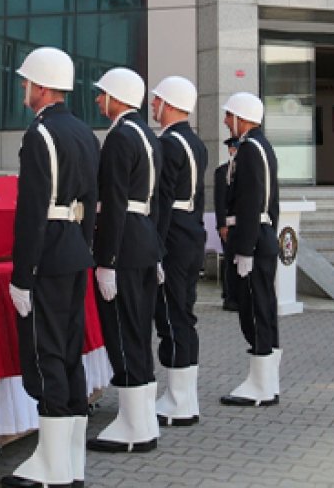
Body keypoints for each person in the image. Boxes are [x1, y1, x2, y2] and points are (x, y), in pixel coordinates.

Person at [2, 47, 99, 488]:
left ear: (41, 87)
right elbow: (92, 204)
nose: (24, 88)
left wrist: (22, 275)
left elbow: (31, 212)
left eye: (27, 82)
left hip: (49, 256)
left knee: (47, 354)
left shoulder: (39, 135)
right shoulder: (83, 132)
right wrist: (88, 248)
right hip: (76, 249)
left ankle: (51, 467)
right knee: (69, 351)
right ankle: (69, 461)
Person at [86, 67, 163, 454]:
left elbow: (113, 203)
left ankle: (134, 425)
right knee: (137, 331)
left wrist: (106, 260)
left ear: (117, 98)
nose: (98, 99)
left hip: (124, 244)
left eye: (102, 94)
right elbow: (157, 200)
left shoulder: (119, 137)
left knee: (121, 331)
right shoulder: (149, 135)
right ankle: (143, 420)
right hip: (145, 240)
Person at [148, 76, 208, 428]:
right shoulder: (195, 142)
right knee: (183, 314)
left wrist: (155, 247)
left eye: (157, 101)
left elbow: (163, 201)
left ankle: (178, 401)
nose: (154, 107)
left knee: (171, 316)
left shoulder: (169, 143)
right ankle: (183, 397)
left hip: (173, 237)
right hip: (191, 234)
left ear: (170, 104)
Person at [217, 92, 283, 409]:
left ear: (243, 118)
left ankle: (260, 384)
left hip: (253, 239)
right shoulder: (262, 146)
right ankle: (266, 381)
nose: (227, 121)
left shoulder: (249, 150)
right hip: (262, 235)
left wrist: (244, 248)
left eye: (230, 115)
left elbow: (251, 201)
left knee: (255, 310)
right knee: (264, 308)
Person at [214, 137, 240, 312]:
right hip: (229, 223)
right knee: (230, 261)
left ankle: (239, 296)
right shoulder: (222, 171)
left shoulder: (245, 170)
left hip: (243, 223)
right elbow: (219, 200)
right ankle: (230, 297)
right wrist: (221, 224)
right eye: (234, 148)